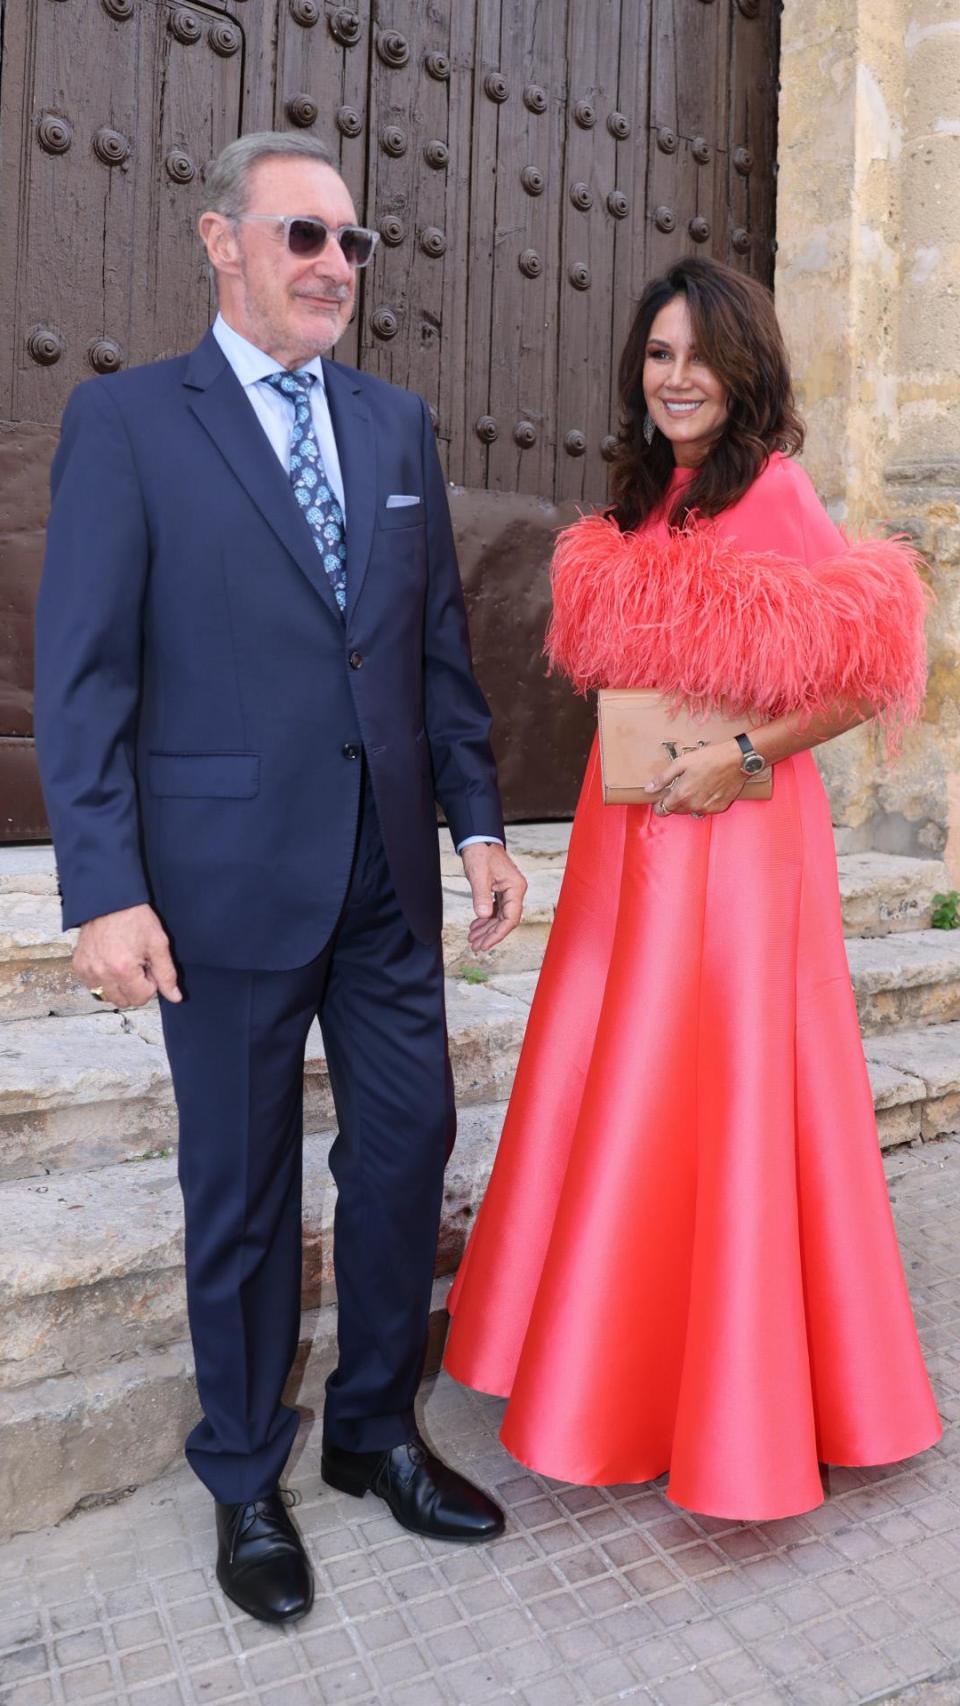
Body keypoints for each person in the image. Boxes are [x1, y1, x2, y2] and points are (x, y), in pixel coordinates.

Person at [34, 130, 528, 1625]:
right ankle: (248, 1470)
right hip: (218, 884)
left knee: (406, 1146)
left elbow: (435, 645)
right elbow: (86, 673)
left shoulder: (393, 426)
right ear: (220, 240)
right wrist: (100, 884)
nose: (332, 266)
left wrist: (481, 822)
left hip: (382, 873)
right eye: (302, 234)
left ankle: (375, 1427)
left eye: (350, 244)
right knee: (239, 1187)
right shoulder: (128, 423)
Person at [443, 256, 941, 1521]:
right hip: (632, 844)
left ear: (744, 368)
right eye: (658, 356)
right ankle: (610, 1356)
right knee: (620, 1074)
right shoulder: (643, 495)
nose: (676, 378)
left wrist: (745, 759)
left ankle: (733, 1397)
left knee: (721, 1089)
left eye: (698, 357)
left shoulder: (777, 494)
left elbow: (869, 669)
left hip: (737, 837)